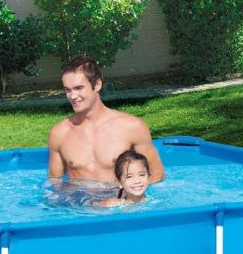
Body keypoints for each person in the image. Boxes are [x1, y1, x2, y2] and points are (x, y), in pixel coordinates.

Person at [47, 56, 165, 186]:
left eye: (79, 88)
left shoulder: (132, 127)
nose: (73, 96)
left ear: (97, 84)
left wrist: (128, 196)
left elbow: (156, 173)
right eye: (67, 90)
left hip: (118, 197)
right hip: (77, 198)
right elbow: (55, 183)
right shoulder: (59, 133)